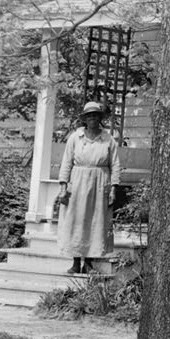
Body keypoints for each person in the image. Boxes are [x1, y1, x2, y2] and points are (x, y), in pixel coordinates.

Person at [56, 101, 121, 274]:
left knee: (95, 221)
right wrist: (63, 187)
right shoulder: (75, 138)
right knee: (77, 221)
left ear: (100, 118)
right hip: (77, 183)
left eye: (95, 115)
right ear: (85, 119)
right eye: (89, 116)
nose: (92, 118)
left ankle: (90, 263)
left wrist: (114, 188)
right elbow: (66, 163)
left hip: (100, 184)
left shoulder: (108, 139)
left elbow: (115, 165)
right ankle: (76, 261)